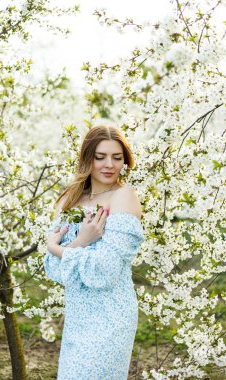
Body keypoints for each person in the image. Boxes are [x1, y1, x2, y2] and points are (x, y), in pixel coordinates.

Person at [44, 125, 145, 380]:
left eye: (117, 157)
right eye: (100, 157)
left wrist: (60, 248)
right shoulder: (71, 198)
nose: (109, 164)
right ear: (87, 158)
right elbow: (54, 268)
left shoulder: (124, 196)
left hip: (111, 315)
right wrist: (82, 241)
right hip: (78, 314)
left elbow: (105, 271)